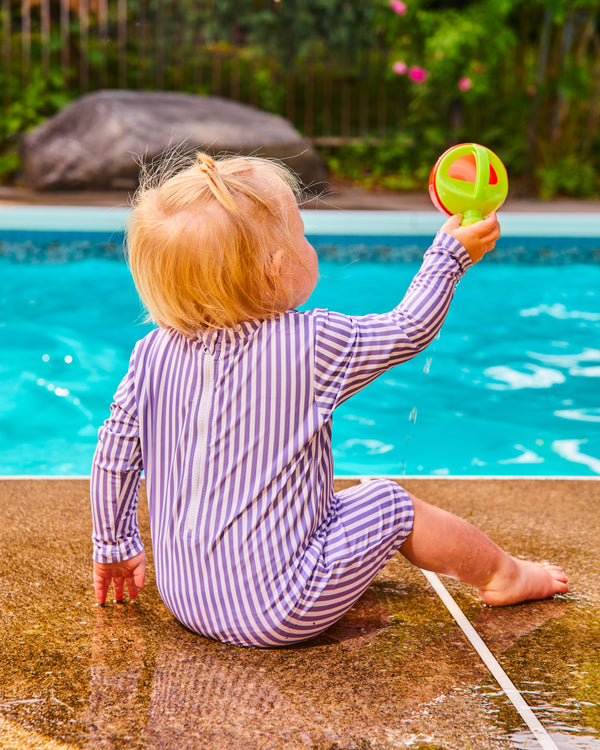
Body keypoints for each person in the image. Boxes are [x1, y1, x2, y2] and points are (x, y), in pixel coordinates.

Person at [91, 152, 568, 648]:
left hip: (186, 597)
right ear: (277, 270)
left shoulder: (149, 355)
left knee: (309, 502)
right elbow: (409, 328)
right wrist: (449, 256)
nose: (308, 243)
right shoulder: (310, 344)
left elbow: (113, 459)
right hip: (281, 611)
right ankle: (505, 575)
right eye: (301, 234)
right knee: (387, 502)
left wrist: (113, 545)